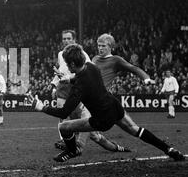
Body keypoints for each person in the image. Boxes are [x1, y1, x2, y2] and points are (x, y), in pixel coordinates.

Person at [30, 44, 185, 163]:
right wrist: (68, 78)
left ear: (71, 65)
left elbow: (63, 113)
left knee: (63, 127)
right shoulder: (92, 67)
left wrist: (41, 107)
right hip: (114, 106)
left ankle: (73, 151)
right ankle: (169, 149)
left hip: (102, 119)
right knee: (136, 130)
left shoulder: (79, 88)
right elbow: (83, 76)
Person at [53, 30, 129, 154]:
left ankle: (107, 147)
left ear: (74, 39)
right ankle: (68, 144)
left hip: (82, 93)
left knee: (91, 129)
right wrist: (54, 86)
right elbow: (61, 71)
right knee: (67, 120)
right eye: (64, 39)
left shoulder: (82, 54)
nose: (66, 41)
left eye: (68, 38)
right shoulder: (61, 54)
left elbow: (87, 71)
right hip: (66, 91)